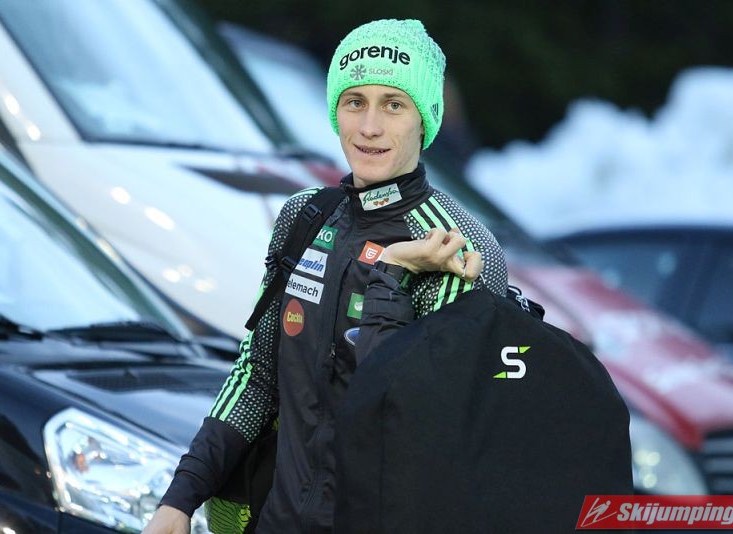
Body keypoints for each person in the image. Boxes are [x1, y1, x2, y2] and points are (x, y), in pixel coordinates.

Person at [144, 18, 508, 534]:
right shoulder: (305, 217)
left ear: (425, 118)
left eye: (394, 105)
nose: (369, 127)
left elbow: (416, 427)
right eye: (354, 102)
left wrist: (392, 272)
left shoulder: (458, 245)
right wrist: (180, 499)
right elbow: (257, 376)